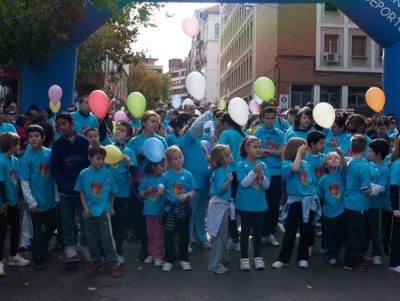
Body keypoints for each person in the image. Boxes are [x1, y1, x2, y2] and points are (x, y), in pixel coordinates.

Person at [272, 138, 321, 269]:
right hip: (295, 201)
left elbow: (312, 180)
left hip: (308, 201)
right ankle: (283, 258)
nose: (306, 151)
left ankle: (303, 257)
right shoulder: (286, 164)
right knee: (290, 231)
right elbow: (295, 168)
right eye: (303, 148)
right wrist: (298, 154)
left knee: (306, 231)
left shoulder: (306, 164)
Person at [126, 110, 167, 261]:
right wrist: (142, 154)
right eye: (152, 121)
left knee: (157, 215)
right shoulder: (135, 141)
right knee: (140, 217)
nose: (155, 124)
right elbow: (131, 166)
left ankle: (158, 248)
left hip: (157, 182)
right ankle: (144, 246)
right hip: (139, 183)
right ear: (143, 123)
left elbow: (165, 162)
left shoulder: (161, 140)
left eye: (157, 122)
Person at [74, 145, 121, 278]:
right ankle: (96, 261)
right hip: (89, 212)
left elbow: (113, 192)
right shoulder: (84, 174)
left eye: (102, 159)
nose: (100, 161)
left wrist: (111, 207)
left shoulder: (107, 173)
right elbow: (81, 192)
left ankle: (114, 263)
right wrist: (85, 208)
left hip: (103, 211)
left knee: (107, 238)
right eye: (98, 158)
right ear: (89, 158)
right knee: (91, 238)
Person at [50, 112, 91, 261]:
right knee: (67, 220)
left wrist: (84, 184)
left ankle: (85, 245)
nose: (62, 127)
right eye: (59, 125)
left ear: (71, 123)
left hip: (82, 191)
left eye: (64, 124)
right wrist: (64, 184)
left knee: (85, 218)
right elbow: (55, 167)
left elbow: (88, 164)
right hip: (66, 191)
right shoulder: (58, 144)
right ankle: (70, 245)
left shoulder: (84, 141)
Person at [18, 125, 58, 269]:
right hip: (35, 203)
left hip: (49, 200)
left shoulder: (49, 153)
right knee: (36, 232)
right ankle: (38, 257)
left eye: (36, 136)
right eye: (30, 136)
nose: (33, 139)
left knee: (52, 225)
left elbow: (54, 177)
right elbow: (24, 181)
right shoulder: (26, 158)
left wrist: (57, 197)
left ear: (43, 137)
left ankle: (43, 248)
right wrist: (31, 201)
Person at [253, 106, 286, 248]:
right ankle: (259, 234)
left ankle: (270, 233)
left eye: (272, 118)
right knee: (261, 204)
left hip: (277, 173)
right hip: (262, 172)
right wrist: (274, 151)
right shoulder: (257, 132)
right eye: (267, 118)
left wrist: (267, 151)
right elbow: (257, 152)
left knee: (273, 205)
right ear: (262, 118)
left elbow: (283, 152)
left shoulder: (279, 133)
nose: (270, 121)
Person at [158, 146, 195, 272]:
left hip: (183, 209)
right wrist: (161, 191)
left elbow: (192, 190)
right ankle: (169, 259)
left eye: (180, 157)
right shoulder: (166, 175)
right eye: (175, 159)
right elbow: (161, 185)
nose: (179, 160)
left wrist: (188, 195)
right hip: (170, 210)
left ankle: (184, 259)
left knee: (184, 235)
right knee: (169, 236)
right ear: (169, 161)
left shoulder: (188, 174)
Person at [236, 136, 270, 271]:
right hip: (245, 205)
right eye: (254, 147)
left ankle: (257, 257)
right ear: (246, 148)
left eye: (259, 147)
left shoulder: (264, 165)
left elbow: (267, 186)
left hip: (259, 205)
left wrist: (262, 177)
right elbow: (244, 183)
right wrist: (253, 172)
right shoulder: (241, 164)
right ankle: (244, 258)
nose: (258, 149)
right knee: (245, 232)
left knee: (258, 232)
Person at [181, 110, 213, 252]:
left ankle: (201, 239)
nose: (200, 129)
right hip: (192, 184)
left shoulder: (201, 144)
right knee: (191, 213)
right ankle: (186, 241)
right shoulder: (188, 140)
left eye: (202, 128)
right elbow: (194, 127)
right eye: (198, 127)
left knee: (200, 213)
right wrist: (206, 115)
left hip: (204, 183)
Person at [107, 120, 137, 265]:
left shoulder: (129, 151)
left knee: (119, 225)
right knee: (107, 224)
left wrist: (128, 162)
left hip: (122, 194)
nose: (119, 132)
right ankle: (106, 252)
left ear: (128, 136)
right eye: (117, 129)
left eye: (123, 130)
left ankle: (119, 251)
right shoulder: (107, 148)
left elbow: (134, 171)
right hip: (106, 194)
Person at [0, 132, 30, 276]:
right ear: (11, 145)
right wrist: (4, 201)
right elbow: (0, 184)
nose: (19, 146)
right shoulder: (1, 161)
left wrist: (20, 199)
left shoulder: (15, 160)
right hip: (3, 204)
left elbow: (16, 182)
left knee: (15, 230)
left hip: (14, 202)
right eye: (17, 144)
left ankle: (13, 256)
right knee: (1, 232)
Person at [343, 134, 373, 272]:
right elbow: (365, 188)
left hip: (349, 202)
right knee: (356, 233)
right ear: (365, 148)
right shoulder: (364, 166)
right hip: (359, 203)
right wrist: (375, 190)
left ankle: (355, 257)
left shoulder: (349, 163)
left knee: (351, 232)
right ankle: (351, 262)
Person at [360, 139, 390, 266]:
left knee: (375, 230)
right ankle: (362, 252)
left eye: (371, 151)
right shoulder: (367, 166)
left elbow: (382, 188)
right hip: (366, 204)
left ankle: (377, 253)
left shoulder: (384, 170)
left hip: (377, 206)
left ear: (378, 154)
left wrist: (369, 188)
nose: (368, 153)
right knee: (364, 230)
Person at [218, 112, 246, 251]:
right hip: (239, 172)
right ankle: (234, 237)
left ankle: (232, 236)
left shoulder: (225, 134)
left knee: (227, 206)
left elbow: (219, 153)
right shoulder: (242, 134)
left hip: (227, 171)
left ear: (225, 123)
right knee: (234, 206)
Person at [206, 144, 234, 274]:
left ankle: (222, 257)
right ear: (221, 159)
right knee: (220, 235)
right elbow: (219, 190)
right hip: (219, 206)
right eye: (227, 154)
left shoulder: (224, 168)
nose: (231, 156)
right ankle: (214, 265)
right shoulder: (220, 171)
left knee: (223, 234)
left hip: (223, 205)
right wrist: (228, 182)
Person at [316, 149, 347, 265]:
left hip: (342, 210)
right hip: (329, 211)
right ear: (325, 164)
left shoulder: (341, 173)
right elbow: (319, 195)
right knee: (330, 233)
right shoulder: (323, 179)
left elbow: (345, 166)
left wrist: (341, 155)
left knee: (342, 233)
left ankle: (334, 250)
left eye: (336, 158)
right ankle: (331, 254)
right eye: (330, 158)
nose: (334, 159)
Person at [139, 158, 166, 267]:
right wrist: (146, 191)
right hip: (149, 212)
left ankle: (158, 255)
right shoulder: (146, 179)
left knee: (159, 234)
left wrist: (161, 193)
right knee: (150, 234)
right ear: (154, 167)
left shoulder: (164, 179)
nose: (164, 168)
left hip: (160, 212)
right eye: (161, 166)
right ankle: (151, 253)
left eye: (165, 166)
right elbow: (140, 193)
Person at [389, 136, 400, 274]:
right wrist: (395, 207)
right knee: (397, 235)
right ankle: (395, 262)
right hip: (399, 205)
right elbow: (394, 187)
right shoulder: (397, 164)